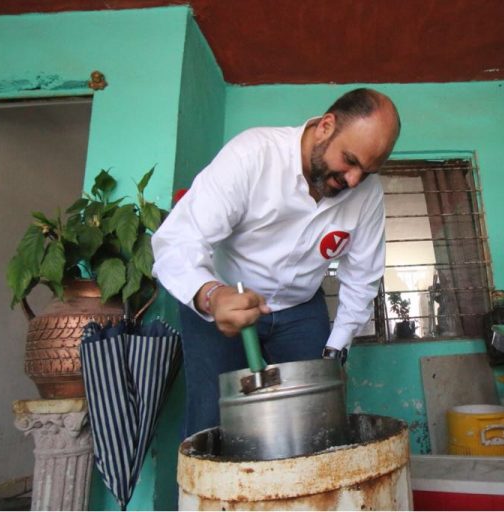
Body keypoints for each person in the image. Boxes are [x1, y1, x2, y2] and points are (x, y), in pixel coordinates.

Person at [152, 88, 401, 436]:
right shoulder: (253, 154)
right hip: (223, 301)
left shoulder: (366, 194)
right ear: (326, 126)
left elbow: (362, 278)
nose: (353, 181)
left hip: (301, 309)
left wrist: (334, 351)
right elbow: (178, 239)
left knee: (318, 423)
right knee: (212, 423)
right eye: (350, 160)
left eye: (368, 171)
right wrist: (211, 296)